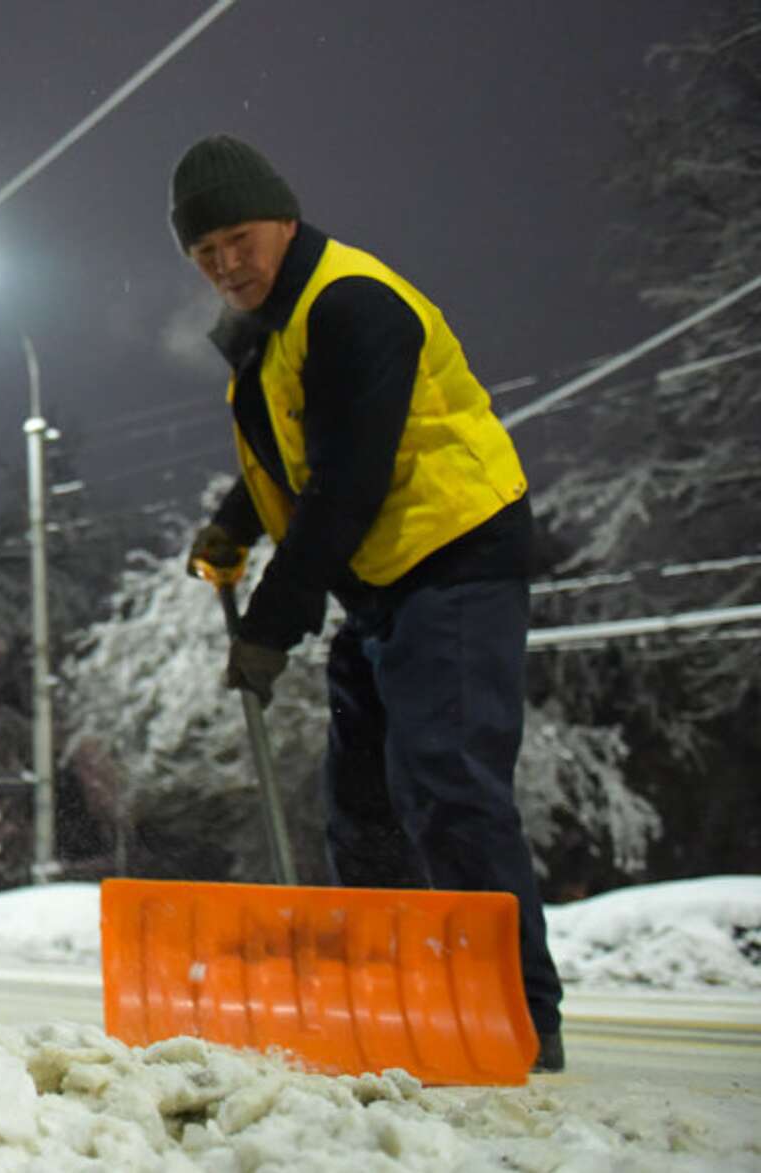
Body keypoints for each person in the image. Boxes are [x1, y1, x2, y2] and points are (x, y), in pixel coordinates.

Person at [168, 134, 565, 1071]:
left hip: (457, 552)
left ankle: (517, 1015)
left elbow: (347, 478)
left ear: (284, 219)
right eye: (204, 251)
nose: (226, 263)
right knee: (361, 800)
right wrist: (235, 522)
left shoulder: (349, 303)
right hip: (388, 573)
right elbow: (296, 455)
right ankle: (400, 995)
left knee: (446, 782)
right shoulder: (278, 324)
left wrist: (272, 623)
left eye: (238, 237)